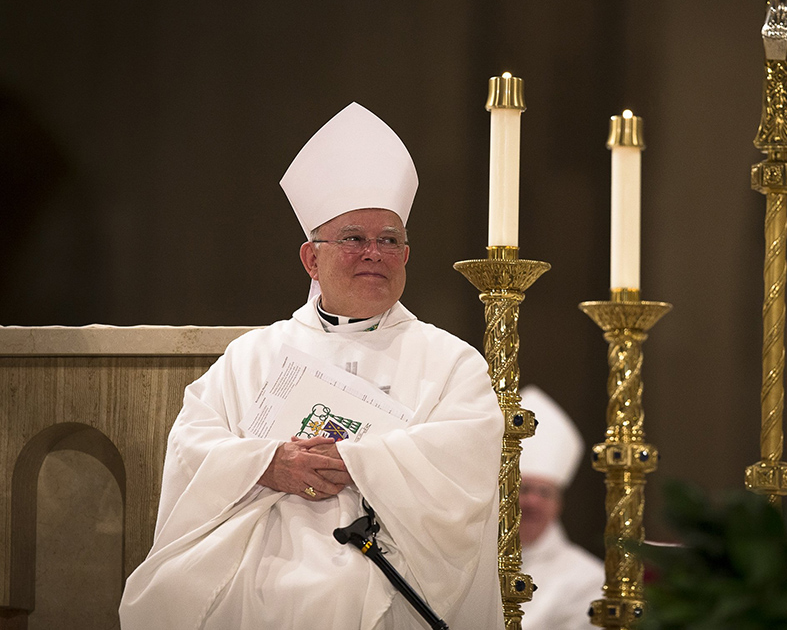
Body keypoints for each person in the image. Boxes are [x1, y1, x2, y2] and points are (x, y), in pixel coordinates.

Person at [119, 103, 505, 630]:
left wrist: (359, 464)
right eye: (353, 239)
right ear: (311, 259)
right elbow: (192, 446)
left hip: (382, 560)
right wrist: (267, 463)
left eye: (389, 240)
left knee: (338, 592)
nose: (374, 252)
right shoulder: (252, 356)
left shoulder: (451, 361)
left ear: (407, 256)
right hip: (251, 556)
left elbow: (464, 462)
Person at [518, 385, 605, 630]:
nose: (532, 502)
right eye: (523, 489)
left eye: (544, 493)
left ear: (559, 505)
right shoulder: (471, 564)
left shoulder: (586, 578)